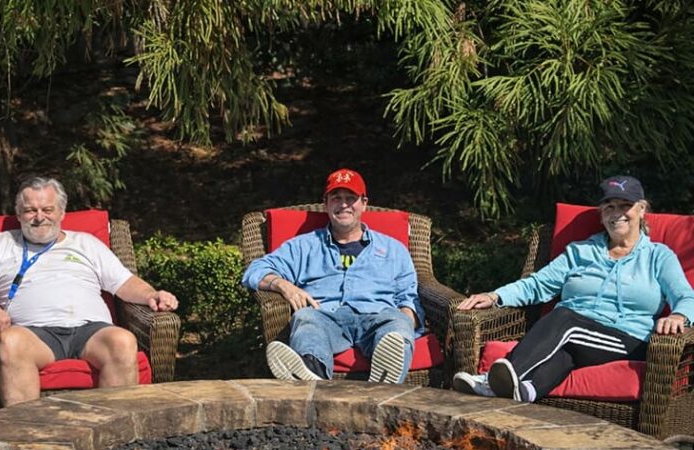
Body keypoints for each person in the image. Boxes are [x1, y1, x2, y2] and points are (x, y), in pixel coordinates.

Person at [453, 175, 694, 402]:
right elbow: (538, 284)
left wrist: (679, 315)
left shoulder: (658, 256)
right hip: (576, 338)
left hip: (627, 339)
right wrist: (495, 296)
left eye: (625, 206)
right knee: (565, 352)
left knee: (565, 319)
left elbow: (686, 297)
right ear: (601, 214)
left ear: (641, 210)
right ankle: (521, 393)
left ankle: (491, 381)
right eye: (609, 206)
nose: (617, 213)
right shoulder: (580, 251)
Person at [0, 177, 178, 405]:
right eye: (30, 210)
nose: (39, 217)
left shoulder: (86, 243)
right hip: (34, 335)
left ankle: (112, 426)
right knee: (11, 342)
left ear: (61, 213)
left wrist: (151, 295)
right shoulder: (1, 243)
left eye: (47, 209)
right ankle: (26, 427)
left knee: (122, 341)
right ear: (19, 214)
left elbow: (125, 283)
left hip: (91, 331)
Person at [241, 168, 425, 383]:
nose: (343, 204)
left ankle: (385, 378)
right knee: (305, 318)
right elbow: (254, 271)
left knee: (398, 324)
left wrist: (403, 323)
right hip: (325, 317)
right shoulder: (304, 246)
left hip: (378, 318)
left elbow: (408, 297)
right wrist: (283, 285)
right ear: (326, 204)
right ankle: (312, 374)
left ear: (364, 203)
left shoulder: (394, 249)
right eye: (336, 198)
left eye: (351, 198)